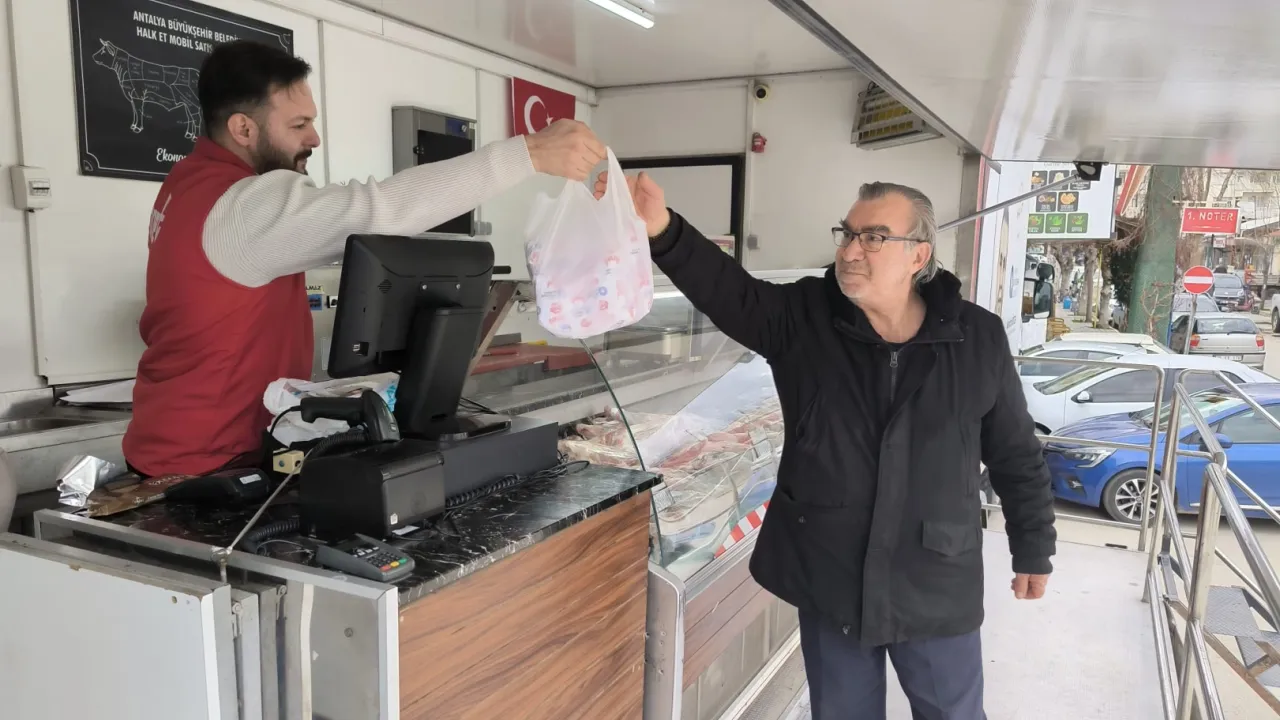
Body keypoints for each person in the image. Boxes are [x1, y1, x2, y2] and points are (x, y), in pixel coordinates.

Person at [595, 174, 1056, 719]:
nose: (851, 250)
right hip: (833, 577)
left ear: (918, 255)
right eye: (848, 234)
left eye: (874, 237)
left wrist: (1033, 545)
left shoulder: (976, 336)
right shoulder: (806, 316)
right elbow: (730, 292)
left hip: (935, 577)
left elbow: (1014, 452)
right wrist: (663, 229)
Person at [123, 40, 605, 477]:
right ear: (243, 128)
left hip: (194, 449)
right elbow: (378, 210)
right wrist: (528, 154)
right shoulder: (239, 209)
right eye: (298, 125)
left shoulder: (192, 184)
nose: (314, 138)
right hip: (201, 467)